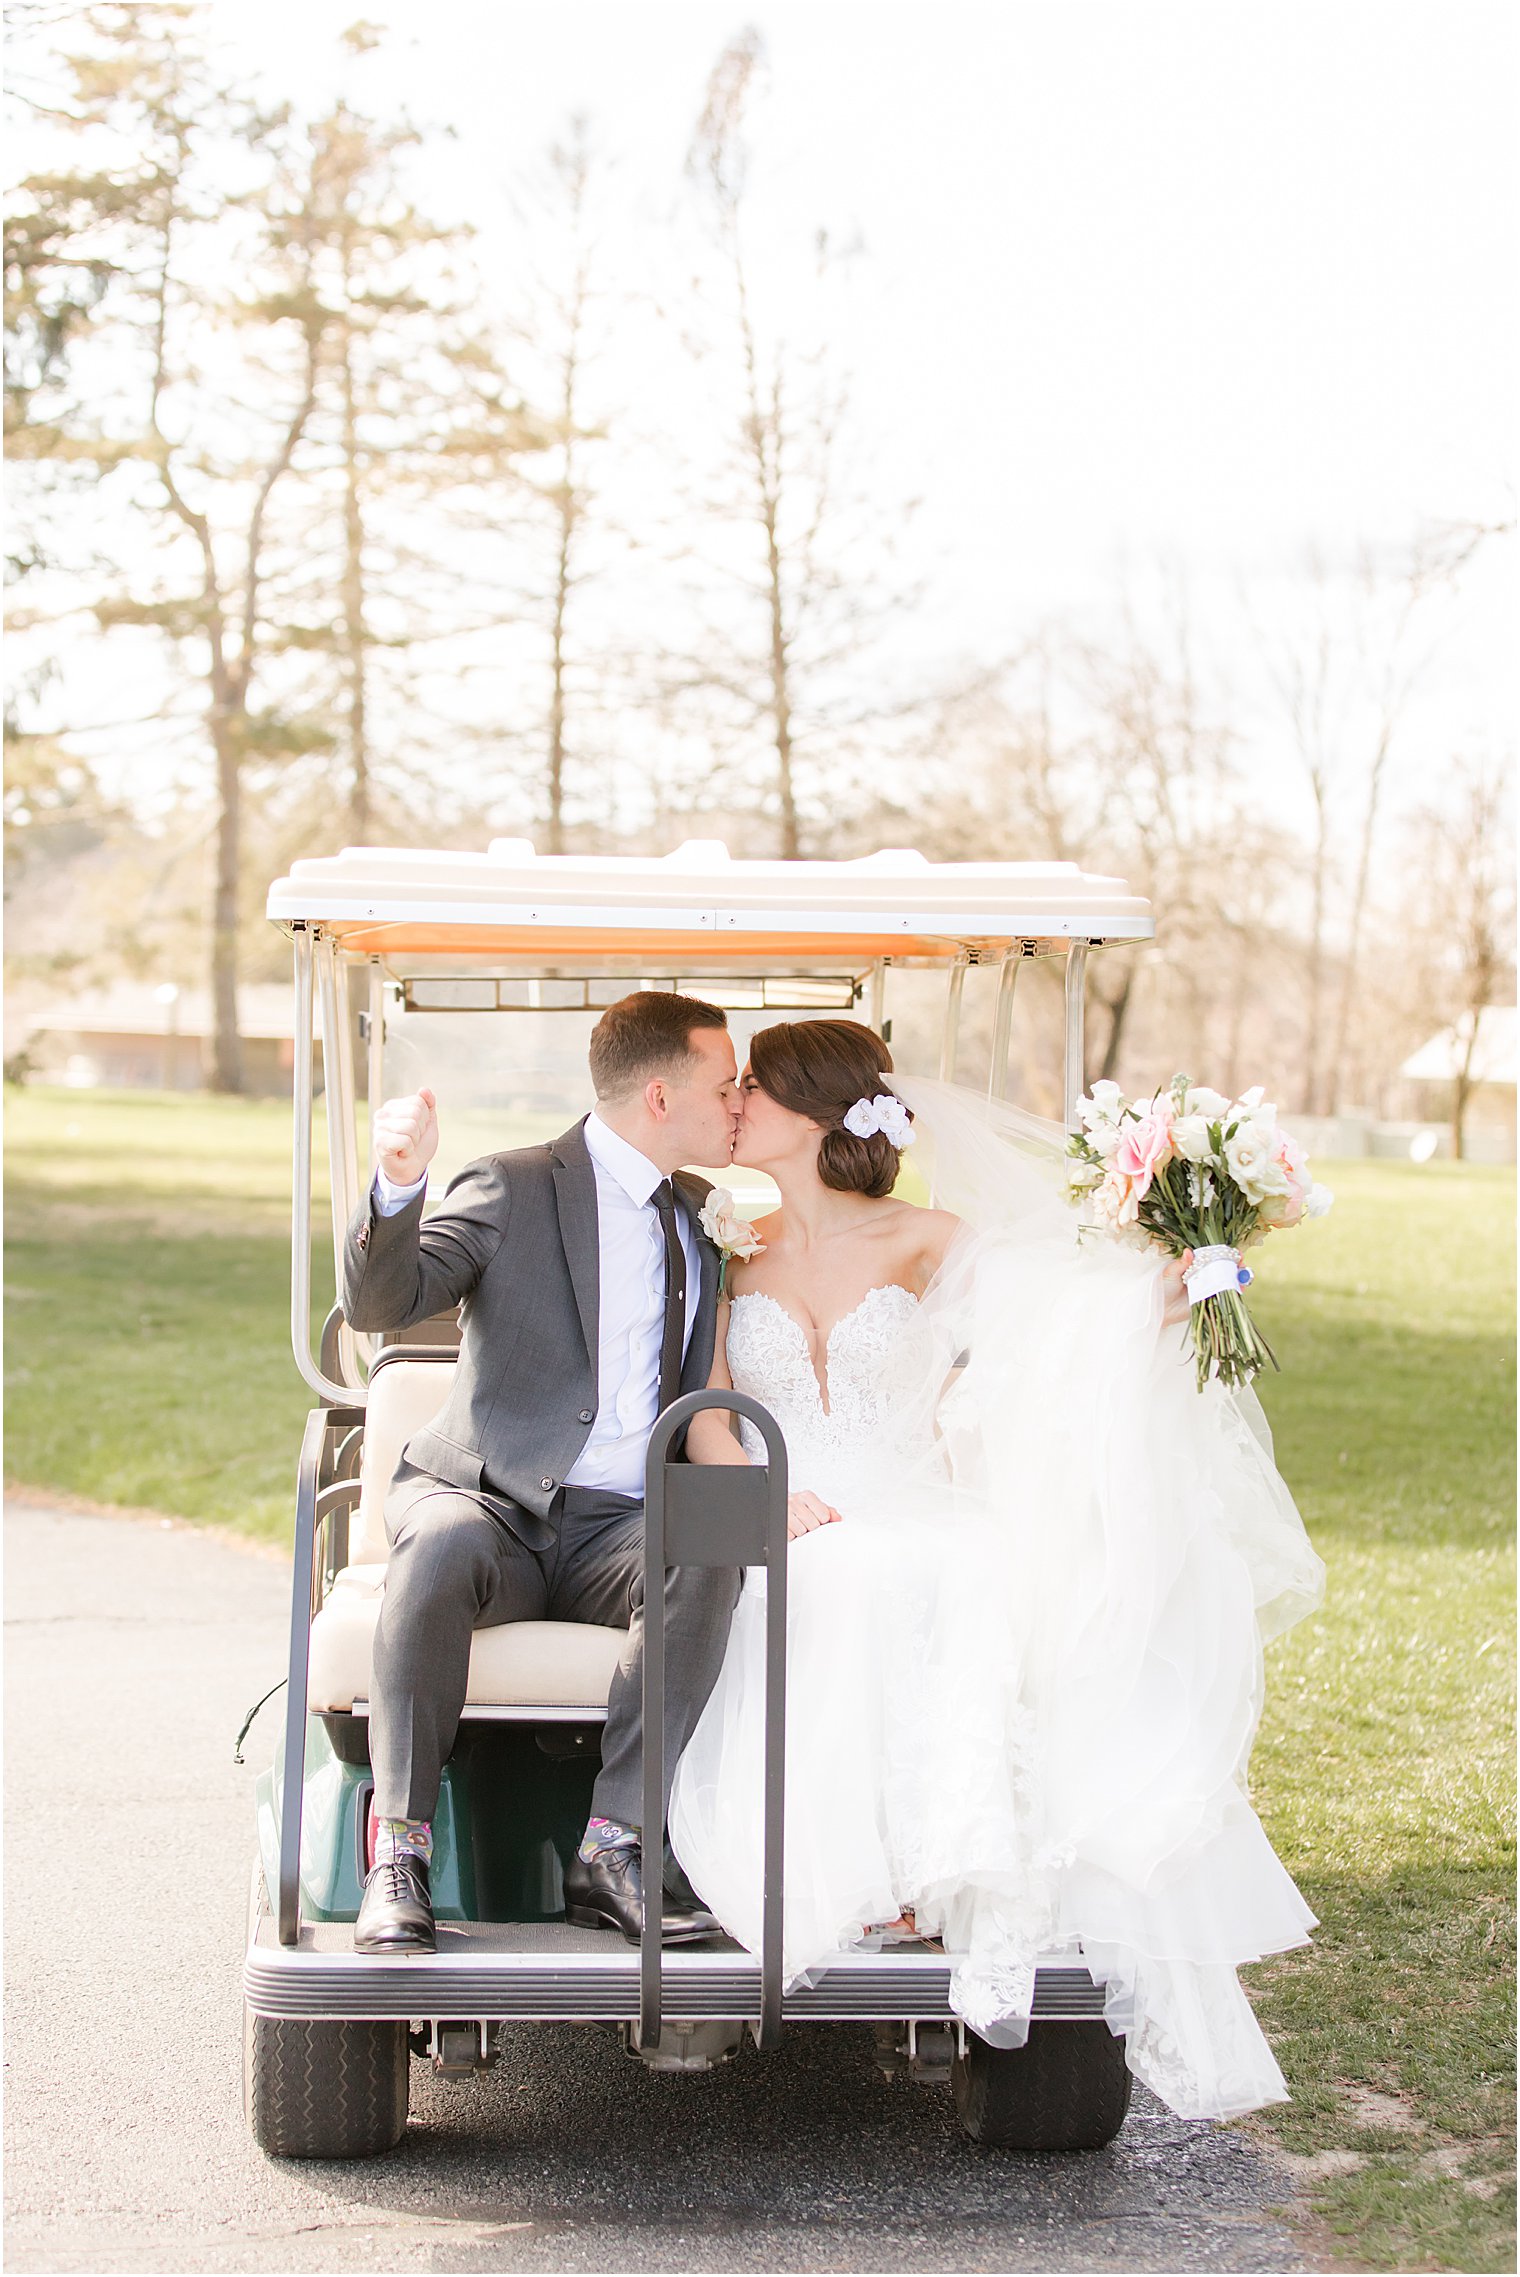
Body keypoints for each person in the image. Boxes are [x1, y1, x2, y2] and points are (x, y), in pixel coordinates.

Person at [669, 1017, 1325, 2121]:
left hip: (905, 1491)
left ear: (817, 1113)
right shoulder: (731, 1249)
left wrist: (1171, 1286)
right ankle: (853, 1879)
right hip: (789, 1504)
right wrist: (760, 1495)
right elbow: (711, 1418)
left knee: (956, 1566)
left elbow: (1052, 1328)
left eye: (753, 1090)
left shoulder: (930, 1239)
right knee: (830, 1573)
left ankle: (947, 1873)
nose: (733, 1104)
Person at [340, 991, 743, 1955]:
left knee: (710, 1541)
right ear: (659, 1093)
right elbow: (385, 1301)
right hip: (492, 1506)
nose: (738, 1103)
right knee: (434, 1547)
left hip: (620, 1528)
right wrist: (399, 1186)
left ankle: (614, 1848)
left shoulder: (704, 1219)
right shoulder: (513, 1185)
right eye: (725, 1086)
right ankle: (396, 1855)